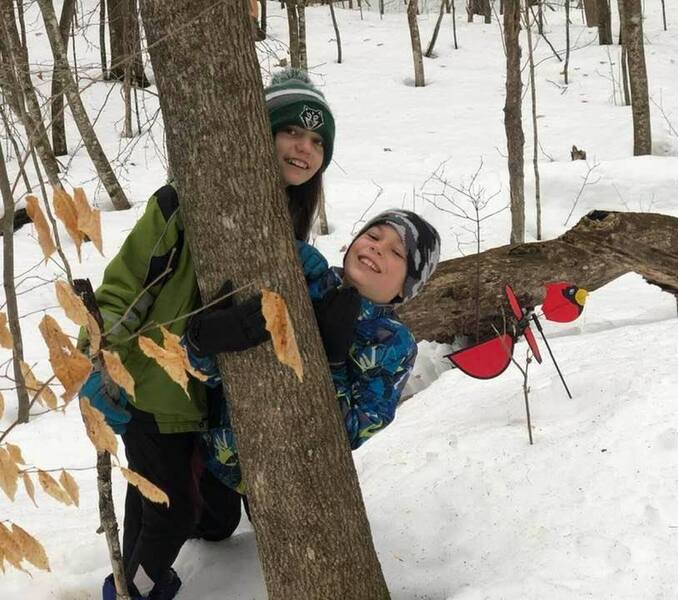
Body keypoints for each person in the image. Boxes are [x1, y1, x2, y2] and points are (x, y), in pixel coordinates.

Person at [78, 69, 336, 600]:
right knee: (173, 513)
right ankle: (134, 588)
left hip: (210, 400)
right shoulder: (183, 203)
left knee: (214, 522)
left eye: (317, 141)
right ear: (257, 132)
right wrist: (99, 361)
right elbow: (125, 285)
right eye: (291, 131)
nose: (303, 148)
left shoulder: (285, 224)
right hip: (152, 389)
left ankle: (152, 523)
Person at [189, 209, 441, 494]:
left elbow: (351, 434)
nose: (377, 247)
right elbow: (212, 369)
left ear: (405, 289)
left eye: (397, 252)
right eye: (373, 235)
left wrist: (333, 363)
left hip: (272, 479)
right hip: (208, 448)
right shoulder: (307, 282)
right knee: (207, 525)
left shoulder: (394, 345)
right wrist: (203, 341)